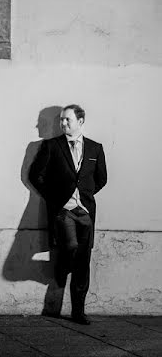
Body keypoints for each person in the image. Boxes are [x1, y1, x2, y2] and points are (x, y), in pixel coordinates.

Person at [28, 104, 107, 325]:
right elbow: (35, 175)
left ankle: (78, 311)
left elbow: (101, 179)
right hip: (63, 211)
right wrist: (56, 198)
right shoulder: (51, 146)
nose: (62, 123)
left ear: (80, 122)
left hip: (86, 212)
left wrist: (84, 194)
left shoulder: (95, 148)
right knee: (71, 248)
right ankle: (62, 265)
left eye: (67, 120)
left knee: (84, 262)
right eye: (61, 120)